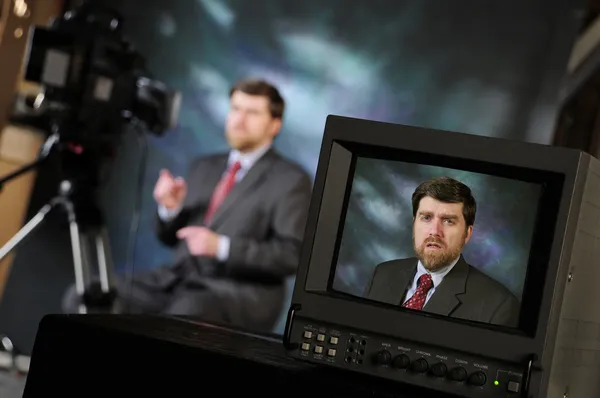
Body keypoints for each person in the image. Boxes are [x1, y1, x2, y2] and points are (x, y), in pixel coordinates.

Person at [63, 78, 313, 332]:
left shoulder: (291, 180)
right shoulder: (204, 167)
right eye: (235, 109)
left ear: (275, 125)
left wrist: (222, 248)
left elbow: (290, 256)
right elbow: (170, 238)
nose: (239, 120)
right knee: (86, 296)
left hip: (237, 295)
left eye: (252, 113)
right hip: (177, 281)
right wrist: (171, 209)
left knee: (183, 316)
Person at [363, 176, 520, 328]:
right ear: (414, 224)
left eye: (448, 221)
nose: (434, 231)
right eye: (426, 217)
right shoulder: (382, 274)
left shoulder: (498, 307)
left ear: (467, 233)